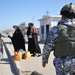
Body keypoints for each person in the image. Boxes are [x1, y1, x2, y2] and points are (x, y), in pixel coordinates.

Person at [42, 3, 75, 75]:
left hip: (61, 63)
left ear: (62, 15)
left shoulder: (55, 30)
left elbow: (47, 47)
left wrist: (45, 60)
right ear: (73, 16)